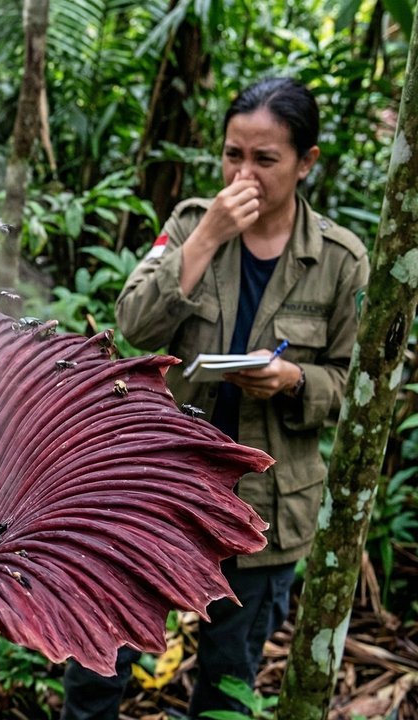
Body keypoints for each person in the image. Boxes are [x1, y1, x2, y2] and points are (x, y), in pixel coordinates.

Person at [61, 77, 370, 718]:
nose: (244, 173)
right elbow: (135, 323)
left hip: (262, 508)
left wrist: (293, 380)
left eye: (265, 159)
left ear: (307, 162)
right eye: (234, 155)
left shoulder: (343, 261)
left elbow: (353, 388)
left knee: (228, 675)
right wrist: (207, 237)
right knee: (99, 661)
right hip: (159, 486)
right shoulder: (188, 223)